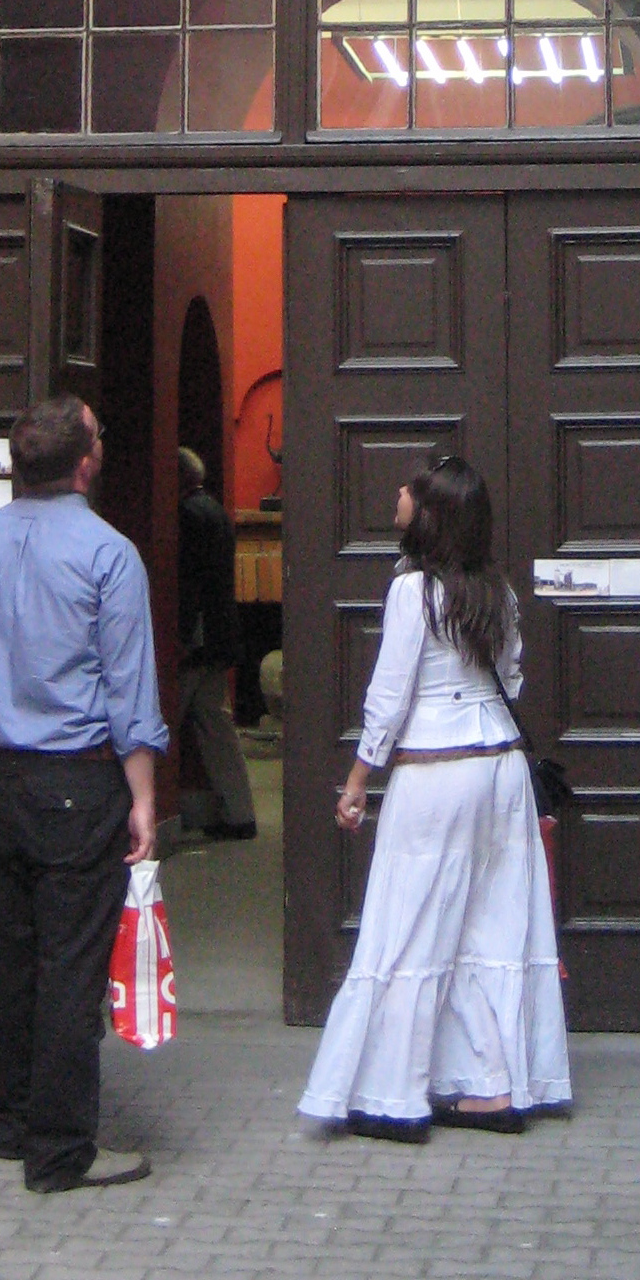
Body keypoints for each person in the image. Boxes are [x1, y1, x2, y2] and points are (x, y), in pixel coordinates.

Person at [298, 455, 571, 1142]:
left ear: (429, 513)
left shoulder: (413, 591)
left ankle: (392, 1094)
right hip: (500, 768)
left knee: (409, 924)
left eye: (410, 489)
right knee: (493, 923)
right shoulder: (496, 592)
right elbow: (511, 678)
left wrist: (357, 780)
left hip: (435, 767)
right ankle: (490, 1089)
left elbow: (390, 696)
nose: (397, 492)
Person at [0, 393, 169, 1192]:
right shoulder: (108, 552)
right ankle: (61, 1148)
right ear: (85, 461)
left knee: (8, 954)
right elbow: (128, 688)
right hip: (76, 775)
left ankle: (13, 1122)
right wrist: (142, 796)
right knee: (71, 963)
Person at [177, 447, 257, 841]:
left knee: (163, 718)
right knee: (217, 726)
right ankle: (240, 812)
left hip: (197, 638)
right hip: (219, 634)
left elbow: (189, 582)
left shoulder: (186, 516)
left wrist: (181, 636)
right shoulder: (216, 511)